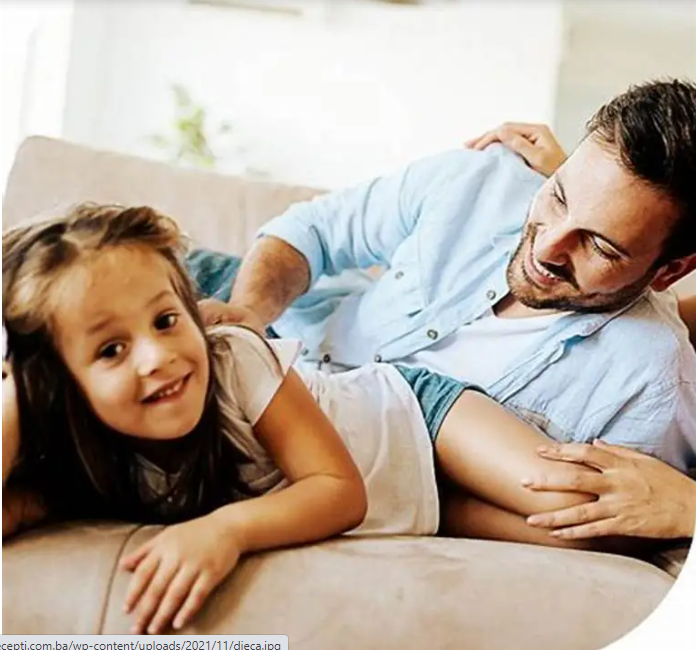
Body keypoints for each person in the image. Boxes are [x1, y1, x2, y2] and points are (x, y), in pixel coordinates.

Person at [4, 204, 649, 634]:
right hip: (420, 508)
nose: (159, 356)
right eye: (111, 350)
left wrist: (226, 531)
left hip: (415, 419)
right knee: (590, 539)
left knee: (589, 509)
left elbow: (338, 492)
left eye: (167, 319)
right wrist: (19, 396)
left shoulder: (233, 358)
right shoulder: (78, 447)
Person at [463, 120, 696, 542]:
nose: (548, 247)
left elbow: (603, 531)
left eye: (602, 246)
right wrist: (597, 190)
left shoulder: (657, 376)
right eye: (558, 196)